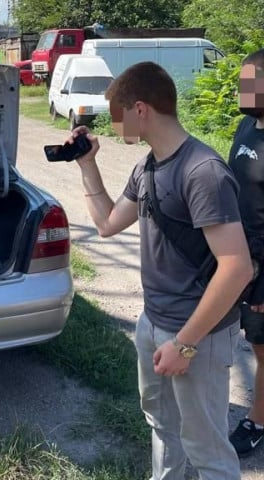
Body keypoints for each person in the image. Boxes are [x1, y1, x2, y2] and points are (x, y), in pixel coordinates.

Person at [68, 61, 252, 479]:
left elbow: (236, 267)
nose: (114, 126)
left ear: (140, 109)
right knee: (164, 429)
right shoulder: (148, 165)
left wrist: (185, 344)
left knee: (206, 449)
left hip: (196, 335)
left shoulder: (202, 172)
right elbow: (108, 224)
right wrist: (87, 164)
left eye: (116, 116)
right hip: (154, 323)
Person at [227, 48, 264, 457]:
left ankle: (258, 421)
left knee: (262, 348)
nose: (243, 88)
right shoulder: (245, 127)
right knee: (250, 344)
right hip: (240, 261)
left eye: (252, 80)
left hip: (263, 271)